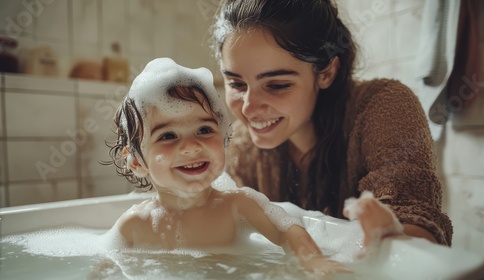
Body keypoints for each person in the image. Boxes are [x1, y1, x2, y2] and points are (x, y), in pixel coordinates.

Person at [211, 0, 453, 246]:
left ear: (326, 72)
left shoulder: (382, 106)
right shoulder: (242, 146)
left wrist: (392, 234)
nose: (249, 107)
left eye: (277, 85)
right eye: (236, 84)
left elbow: (417, 222)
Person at [105, 57, 346, 274]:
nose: (191, 146)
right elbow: (104, 269)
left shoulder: (238, 206)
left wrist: (314, 262)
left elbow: (287, 231)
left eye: (204, 130)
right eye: (168, 136)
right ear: (136, 160)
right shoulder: (134, 225)